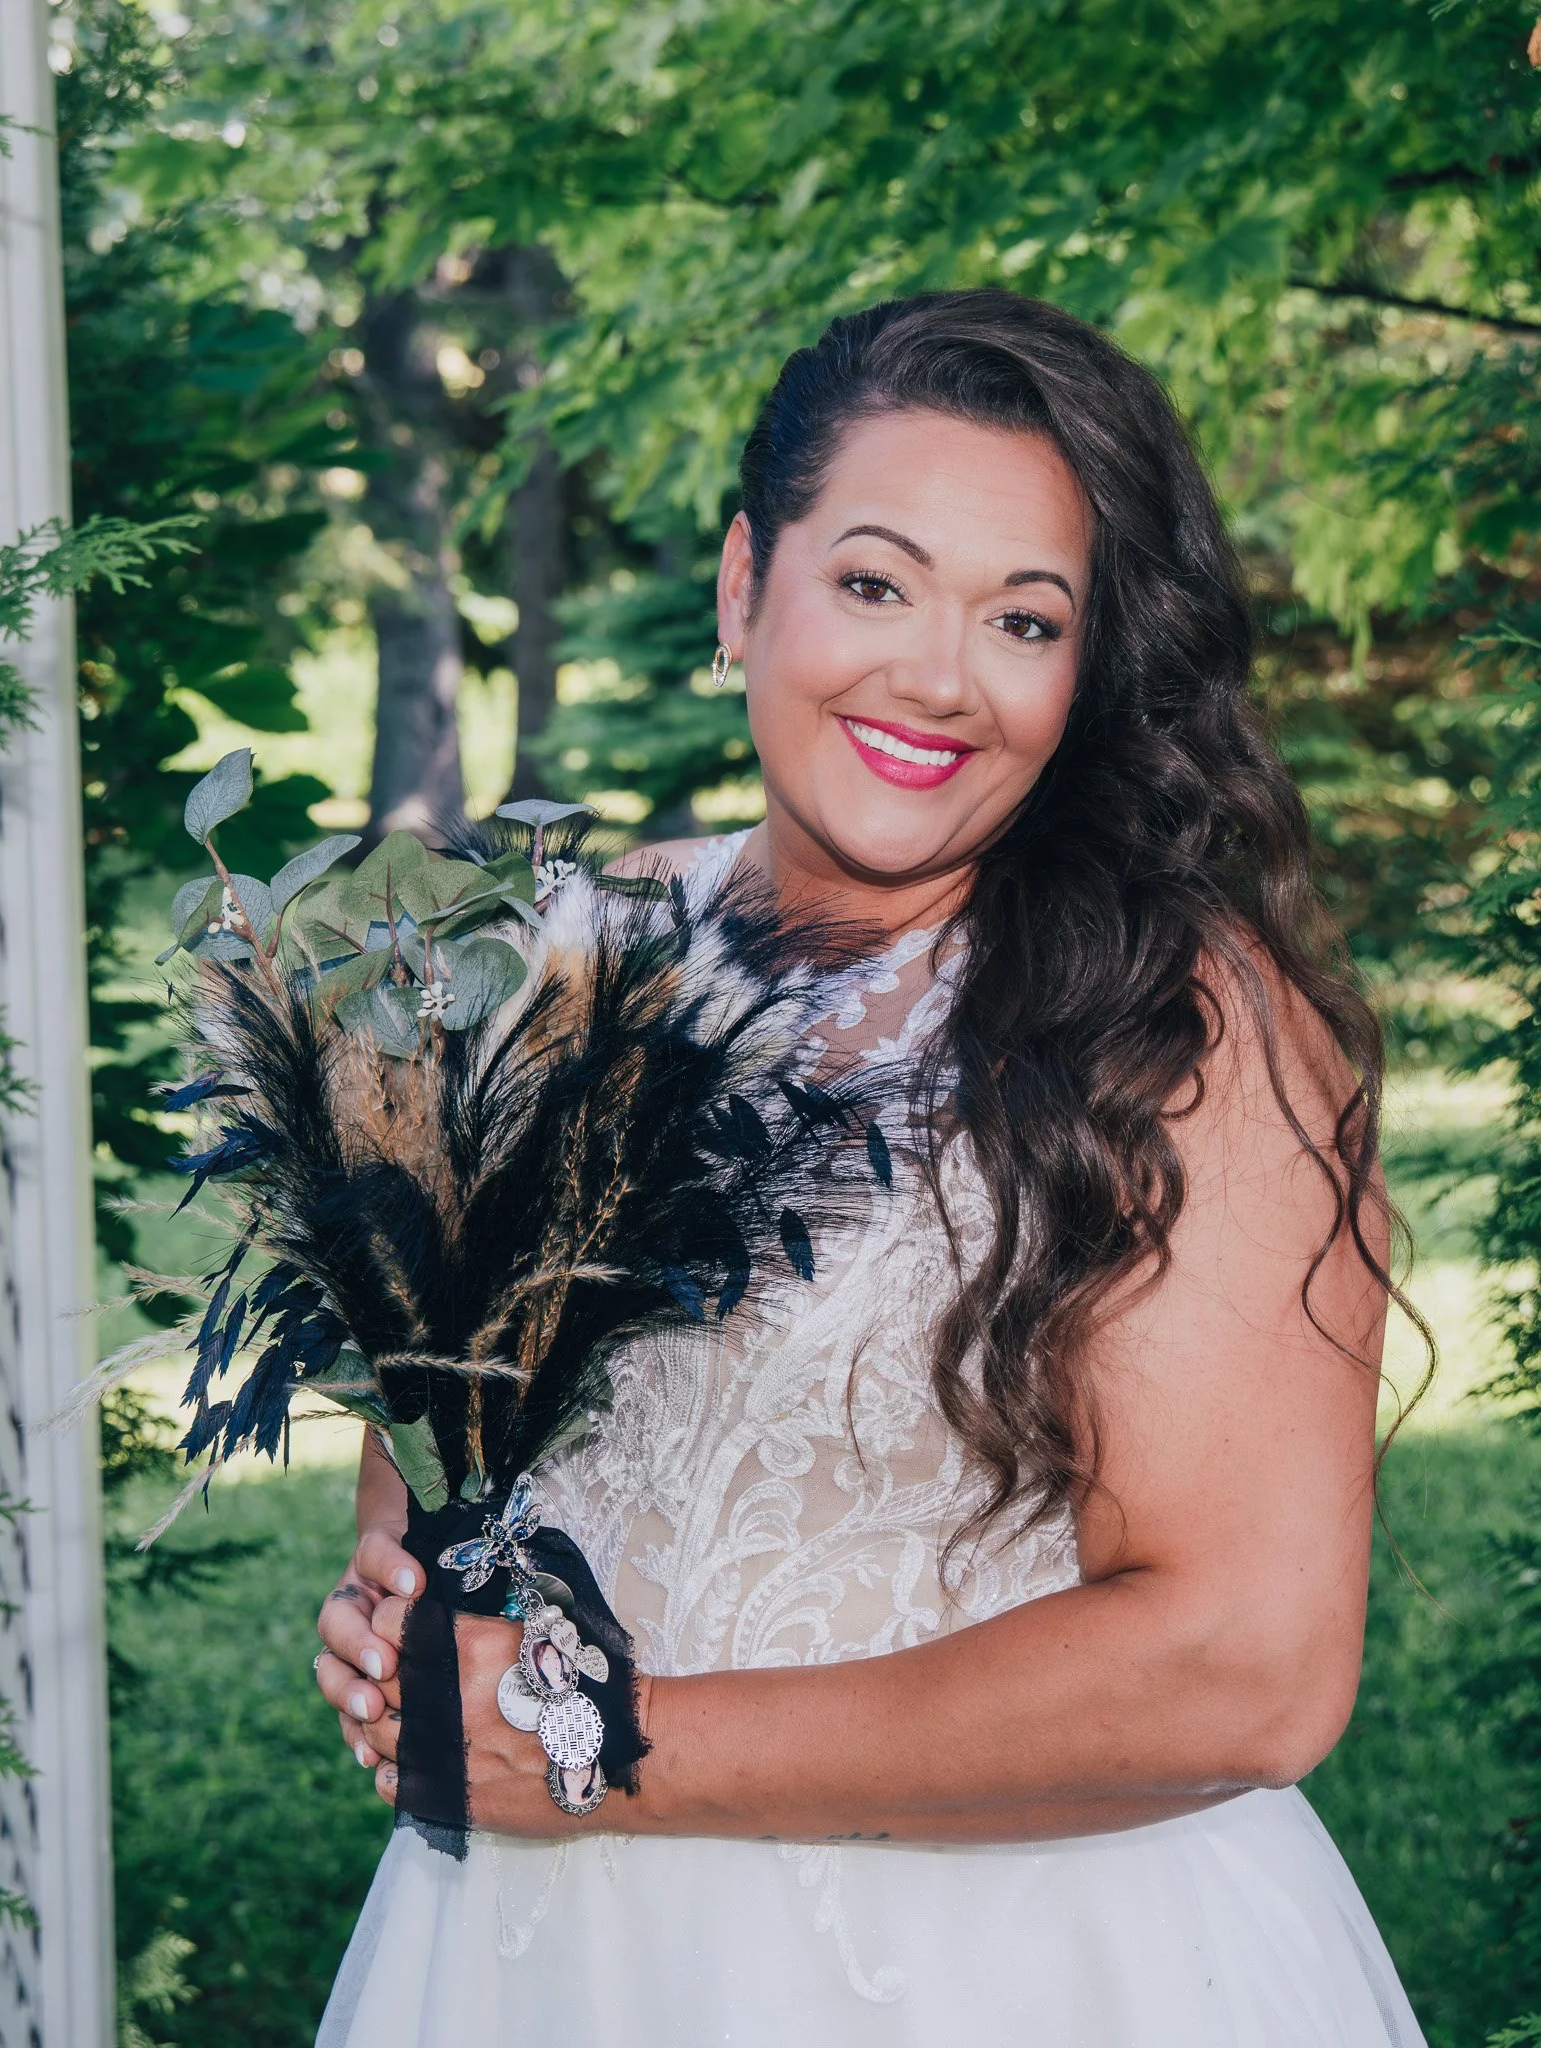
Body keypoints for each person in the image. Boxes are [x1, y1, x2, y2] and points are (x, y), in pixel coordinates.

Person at [309, 288, 1427, 2046]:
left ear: (1087, 668)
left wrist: (614, 1749)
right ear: (750, 586)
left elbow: (1247, 1666)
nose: (936, 676)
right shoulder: (561, 963)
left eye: (1024, 618)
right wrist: (404, 1620)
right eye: (875, 583)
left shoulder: (1173, 1024)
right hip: (539, 1960)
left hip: (1010, 1969)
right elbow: (441, 1459)